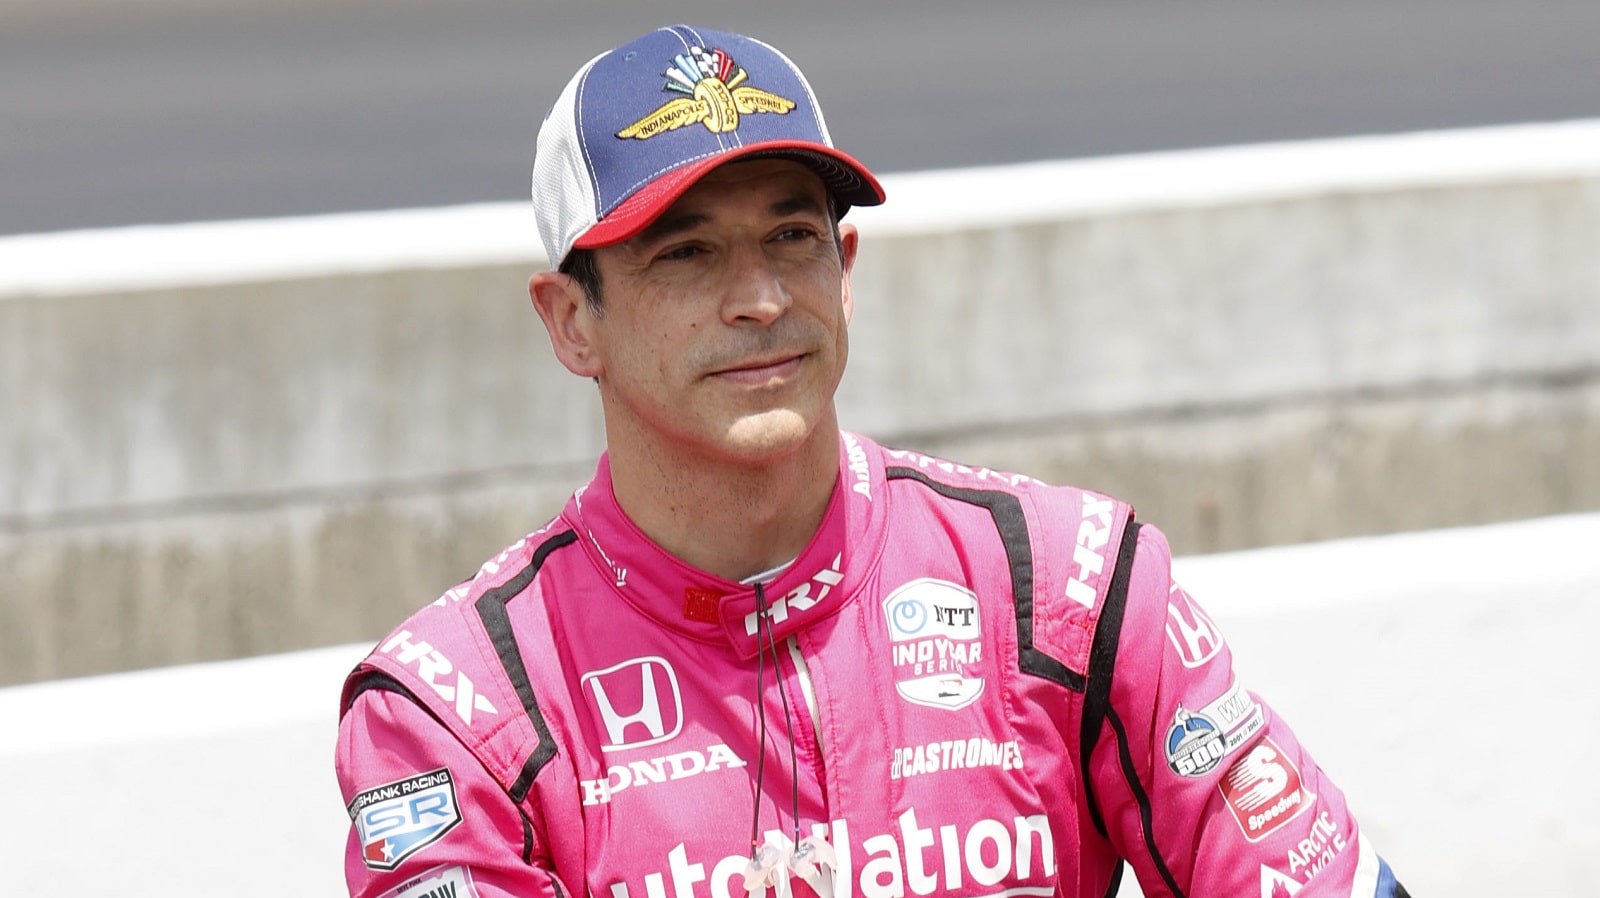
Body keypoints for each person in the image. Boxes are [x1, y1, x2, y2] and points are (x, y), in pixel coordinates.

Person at [335, 23, 1410, 898]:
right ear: (572, 321)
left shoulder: (1066, 586)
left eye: (791, 237)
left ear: (844, 271)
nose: (758, 299)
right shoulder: (457, 710)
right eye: (687, 253)